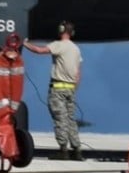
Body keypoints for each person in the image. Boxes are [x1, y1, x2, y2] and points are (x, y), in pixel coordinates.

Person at [23, 21, 84, 160]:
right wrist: (74, 89)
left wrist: (24, 43)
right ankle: (77, 150)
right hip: (71, 89)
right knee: (71, 119)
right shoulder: (76, 49)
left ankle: (63, 150)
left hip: (58, 89)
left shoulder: (59, 45)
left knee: (60, 119)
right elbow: (78, 73)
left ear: (61, 30)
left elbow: (39, 50)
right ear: (72, 32)